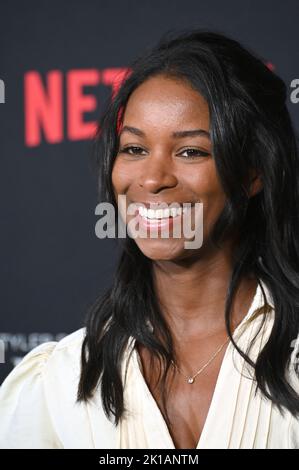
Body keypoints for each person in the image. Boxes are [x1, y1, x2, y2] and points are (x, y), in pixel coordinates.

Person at [1, 28, 299, 449]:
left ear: (253, 173)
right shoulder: (61, 381)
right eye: (135, 149)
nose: (153, 179)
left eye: (191, 151)